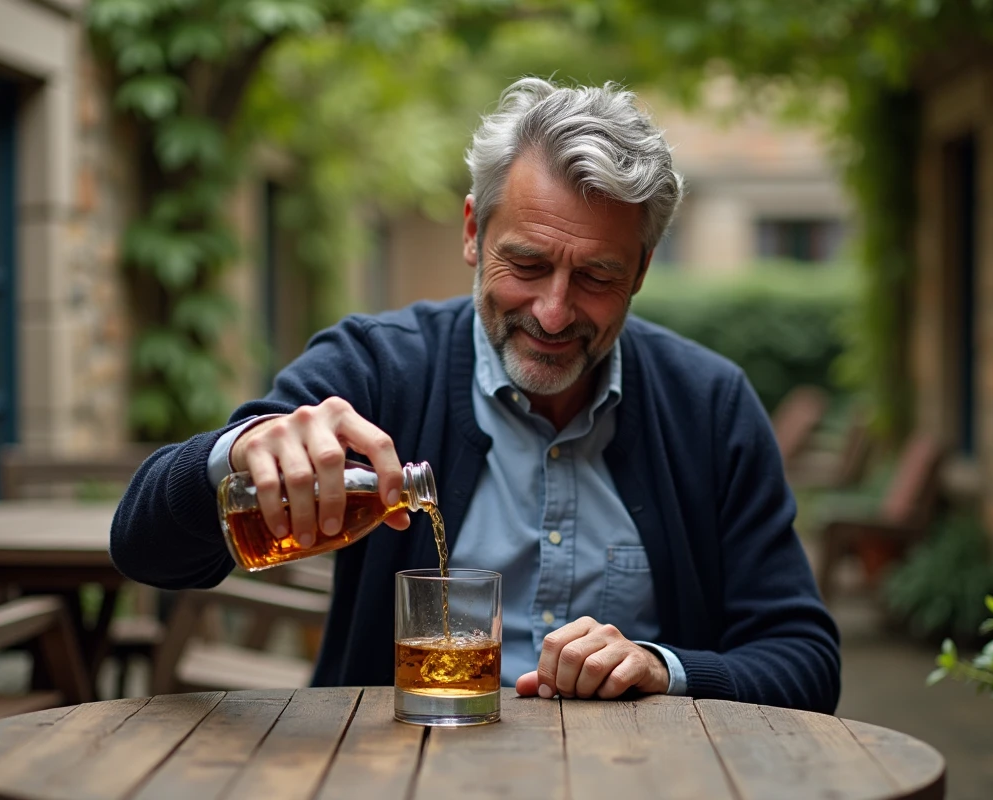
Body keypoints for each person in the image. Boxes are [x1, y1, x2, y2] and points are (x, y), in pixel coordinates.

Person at [110, 77, 841, 712]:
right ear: (472, 230)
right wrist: (233, 453)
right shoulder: (375, 368)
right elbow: (143, 550)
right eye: (525, 263)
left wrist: (664, 667)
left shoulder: (709, 404)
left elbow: (805, 659)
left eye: (595, 277)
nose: (553, 314)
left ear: (643, 270)